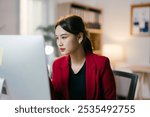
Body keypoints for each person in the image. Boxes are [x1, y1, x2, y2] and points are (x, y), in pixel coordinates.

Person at [50, 14, 116, 100]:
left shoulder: (102, 63)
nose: (59, 43)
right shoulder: (57, 64)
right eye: (57, 38)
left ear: (79, 37)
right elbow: (55, 99)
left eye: (64, 37)